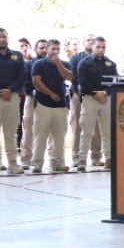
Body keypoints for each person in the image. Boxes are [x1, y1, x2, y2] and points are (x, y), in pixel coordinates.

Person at [0, 27, 28, 175]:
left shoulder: (16, 56)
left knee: (11, 133)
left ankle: (13, 164)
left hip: (12, 97)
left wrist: (10, 90)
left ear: (8, 38)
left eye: (4, 36)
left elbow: (22, 75)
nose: (2, 39)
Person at [29, 40, 73, 174]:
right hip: (43, 104)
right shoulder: (39, 64)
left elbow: (70, 77)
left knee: (60, 136)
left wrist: (58, 63)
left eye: (58, 49)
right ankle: (37, 163)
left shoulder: (64, 63)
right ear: (46, 50)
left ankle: (58, 162)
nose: (55, 51)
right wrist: (51, 94)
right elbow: (36, 81)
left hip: (61, 105)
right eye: (53, 48)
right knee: (40, 135)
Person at [74, 37, 117, 171]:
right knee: (86, 130)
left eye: (103, 47)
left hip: (106, 99)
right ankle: (82, 160)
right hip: (89, 98)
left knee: (107, 131)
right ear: (92, 47)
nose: (100, 50)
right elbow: (82, 82)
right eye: (98, 47)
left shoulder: (111, 64)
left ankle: (109, 158)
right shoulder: (84, 63)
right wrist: (95, 93)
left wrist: (104, 93)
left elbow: (114, 82)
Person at [20, 39, 49, 165]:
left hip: (49, 101)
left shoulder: (52, 64)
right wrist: (35, 92)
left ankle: (52, 159)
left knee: (49, 130)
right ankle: (26, 159)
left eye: (46, 48)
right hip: (32, 99)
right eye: (41, 48)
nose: (44, 50)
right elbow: (26, 83)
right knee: (28, 128)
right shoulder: (29, 64)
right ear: (35, 49)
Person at [69, 34, 94, 160]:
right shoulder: (75, 58)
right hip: (77, 96)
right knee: (77, 126)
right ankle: (76, 157)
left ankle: (96, 157)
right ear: (83, 43)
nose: (91, 42)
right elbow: (73, 77)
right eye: (88, 40)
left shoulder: (102, 60)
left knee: (96, 128)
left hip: (95, 97)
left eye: (93, 40)